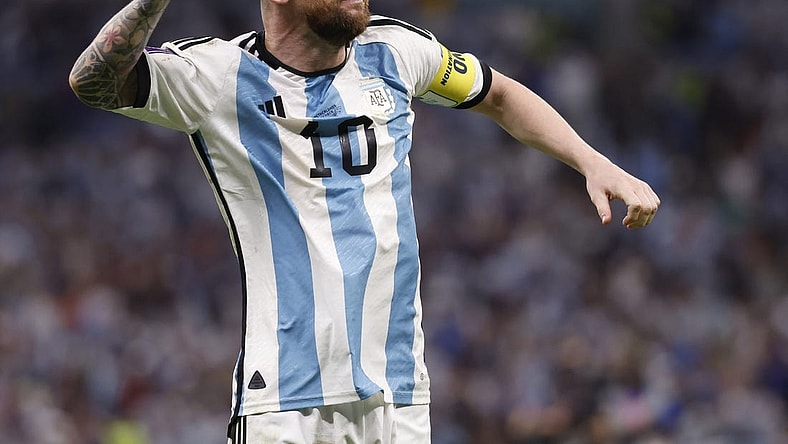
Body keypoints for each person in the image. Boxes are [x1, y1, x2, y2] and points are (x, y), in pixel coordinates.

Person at [69, 0, 660, 442]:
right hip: (284, 405)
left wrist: (590, 159)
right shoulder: (217, 76)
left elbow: (500, 94)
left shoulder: (397, 52)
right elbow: (93, 81)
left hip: (398, 398)